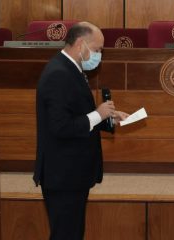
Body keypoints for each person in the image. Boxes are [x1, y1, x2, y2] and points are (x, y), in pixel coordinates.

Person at [33, 22, 129, 240]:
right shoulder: (58, 73)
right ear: (80, 44)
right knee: (66, 234)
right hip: (63, 174)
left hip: (73, 173)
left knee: (73, 233)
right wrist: (98, 114)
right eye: (97, 50)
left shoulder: (71, 68)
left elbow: (77, 113)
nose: (99, 56)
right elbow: (60, 127)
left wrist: (108, 117)